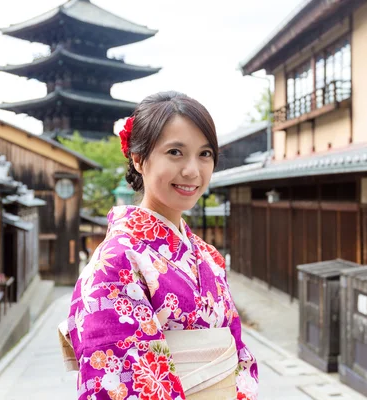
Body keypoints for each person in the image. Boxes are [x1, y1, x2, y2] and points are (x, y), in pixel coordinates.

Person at [60, 91, 258, 400]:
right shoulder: (116, 263)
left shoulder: (209, 257)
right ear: (138, 159)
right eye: (176, 152)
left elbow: (239, 357)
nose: (193, 170)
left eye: (204, 154)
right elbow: (124, 383)